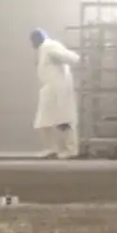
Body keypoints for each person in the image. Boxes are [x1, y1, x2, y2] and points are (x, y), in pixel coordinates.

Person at [31, 29, 82, 160]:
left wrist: (78, 60)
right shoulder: (45, 48)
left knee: (63, 119)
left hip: (59, 88)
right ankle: (51, 149)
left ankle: (71, 150)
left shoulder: (49, 46)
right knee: (44, 120)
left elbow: (69, 57)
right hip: (50, 87)